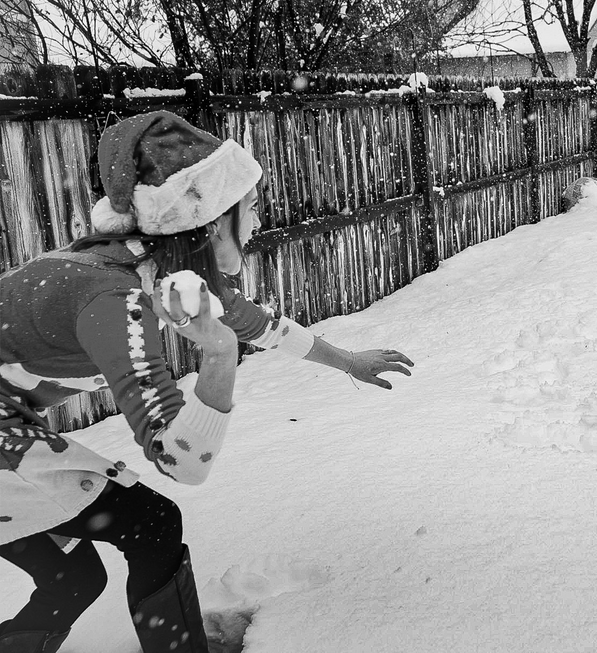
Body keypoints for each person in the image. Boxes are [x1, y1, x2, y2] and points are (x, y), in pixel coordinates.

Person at [0, 111, 414, 652]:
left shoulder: (157, 274)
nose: (260, 220)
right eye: (253, 206)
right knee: (152, 525)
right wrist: (219, 355)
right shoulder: (112, 298)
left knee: (73, 579)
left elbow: (261, 325)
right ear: (214, 219)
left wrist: (349, 362)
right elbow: (180, 460)